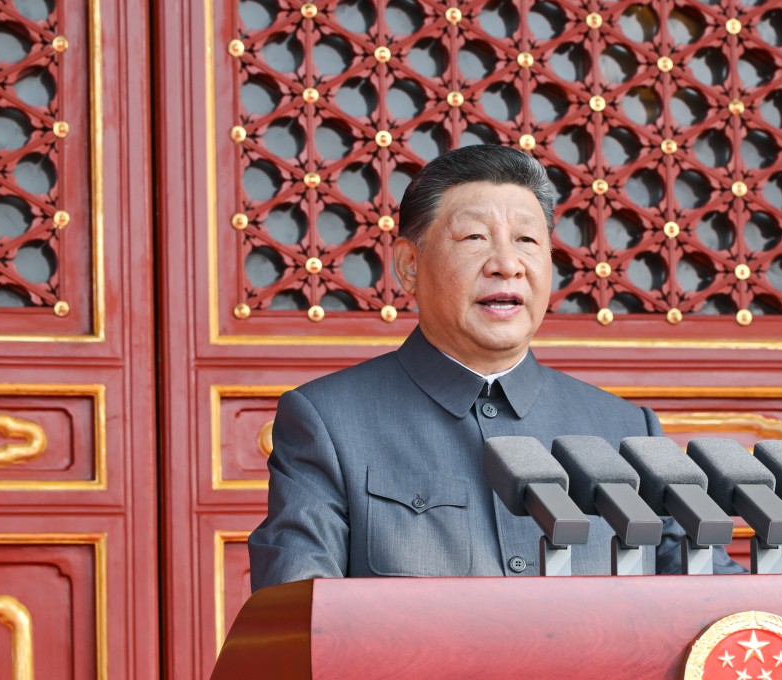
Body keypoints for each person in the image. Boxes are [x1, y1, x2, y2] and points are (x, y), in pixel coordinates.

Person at [248, 145, 743, 589]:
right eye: (475, 238)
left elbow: (718, 605)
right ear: (409, 266)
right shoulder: (330, 422)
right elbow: (298, 617)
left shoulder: (626, 430)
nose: (507, 264)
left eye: (527, 241)